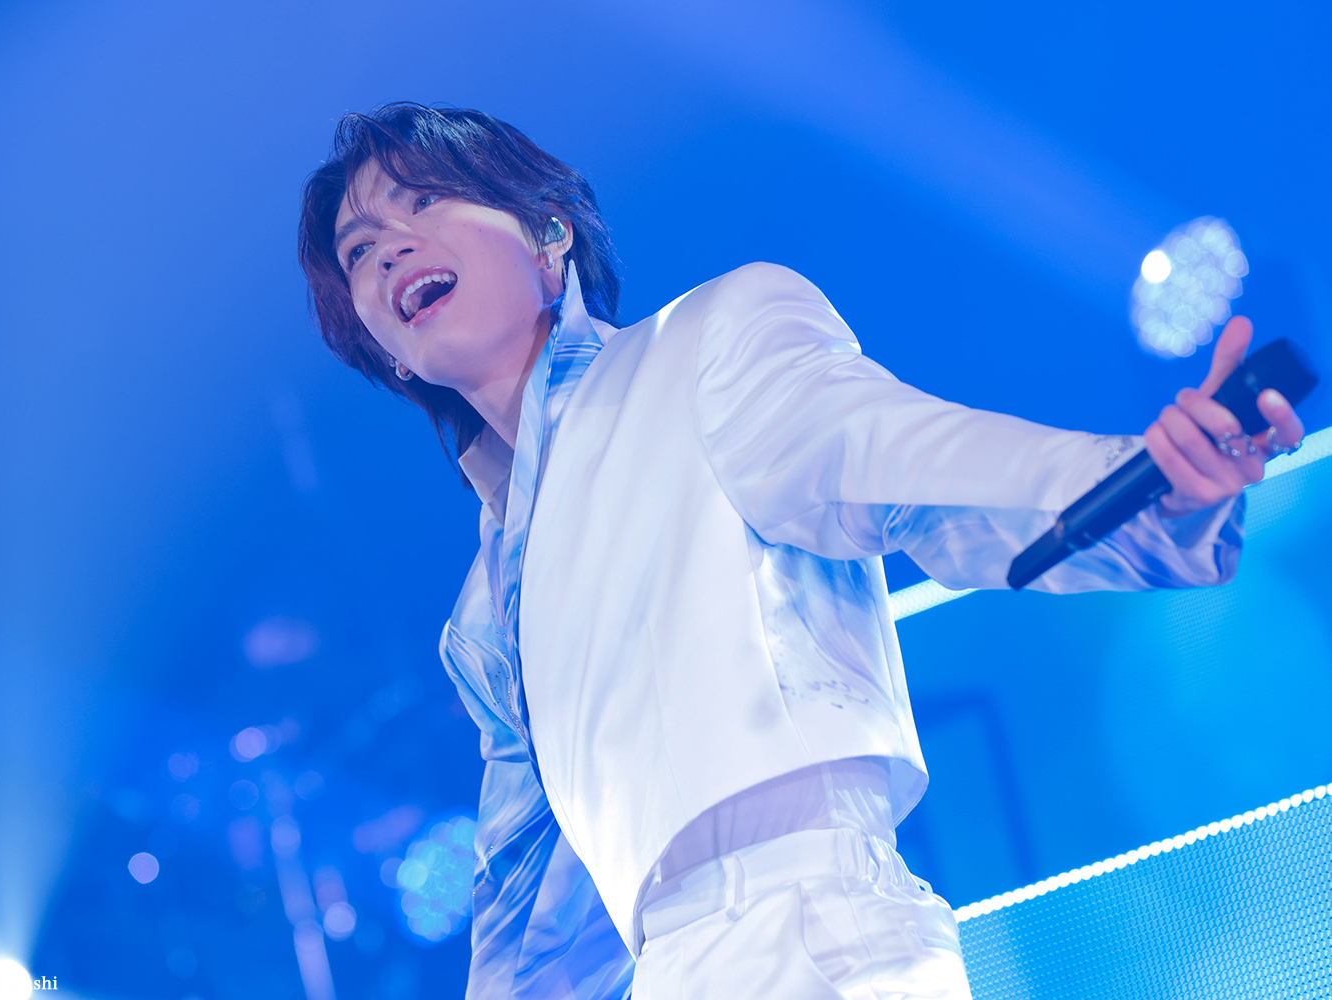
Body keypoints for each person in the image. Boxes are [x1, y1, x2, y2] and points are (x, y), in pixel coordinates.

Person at [297, 103, 1305, 1000]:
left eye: (425, 201)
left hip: (813, 930)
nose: (388, 250)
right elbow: (526, 912)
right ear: (383, 350)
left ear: (548, 231)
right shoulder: (483, 610)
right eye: (359, 250)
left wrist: (1147, 481)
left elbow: (901, 462)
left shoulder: (703, 343)